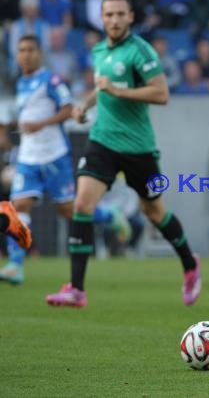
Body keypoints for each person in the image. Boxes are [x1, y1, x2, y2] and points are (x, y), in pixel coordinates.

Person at [46, 0, 202, 307]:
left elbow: (161, 94)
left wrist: (118, 90)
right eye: (109, 15)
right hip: (102, 140)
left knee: (154, 212)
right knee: (82, 203)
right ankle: (77, 288)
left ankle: (190, 264)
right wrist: (84, 105)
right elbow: (102, 87)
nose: (114, 20)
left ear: (130, 17)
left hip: (138, 147)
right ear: (101, 18)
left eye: (120, 14)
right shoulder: (100, 49)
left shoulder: (140, 51)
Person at [0, 35, 131, 285]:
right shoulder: (21, 83)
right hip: (29, 157)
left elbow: (68, 108)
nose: (25, 54)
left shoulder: (51, 79)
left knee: (68, 211)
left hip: (54, 155)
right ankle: (15, 265)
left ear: (39, 53)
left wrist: (41, 124)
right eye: (21, 50)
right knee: (18, 208)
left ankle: (110, 216)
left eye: (30, 49)